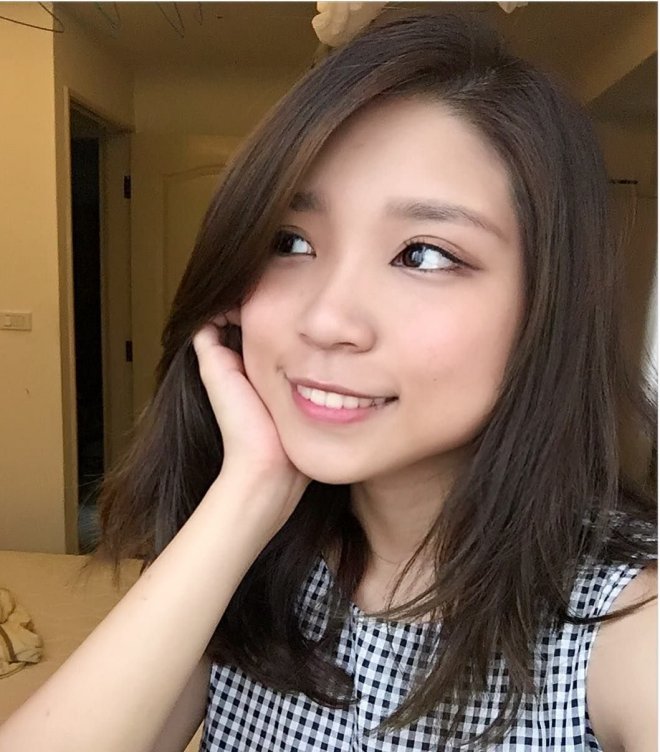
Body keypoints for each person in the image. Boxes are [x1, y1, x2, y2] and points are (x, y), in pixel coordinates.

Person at [1, 8, 656, 752]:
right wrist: (249, 491)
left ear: (549, 304)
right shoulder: (252, 563)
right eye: (290, 241)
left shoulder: (625, 626)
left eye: (424, 254)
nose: (326, 320)